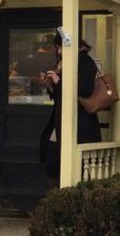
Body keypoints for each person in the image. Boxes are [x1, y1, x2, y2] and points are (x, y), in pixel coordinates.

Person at [40, 33, 101, 186]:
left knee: (66, 162)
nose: (59, 52)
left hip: (78, 120)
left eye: (60, 47)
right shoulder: (65, 62)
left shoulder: (85, 62)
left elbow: (85, 89)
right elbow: (59, 94)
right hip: (62, 119)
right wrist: (51, 83)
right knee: (52, 159)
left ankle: (64, 197)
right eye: (57, 48)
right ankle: (58, 196)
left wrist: (59, 80)